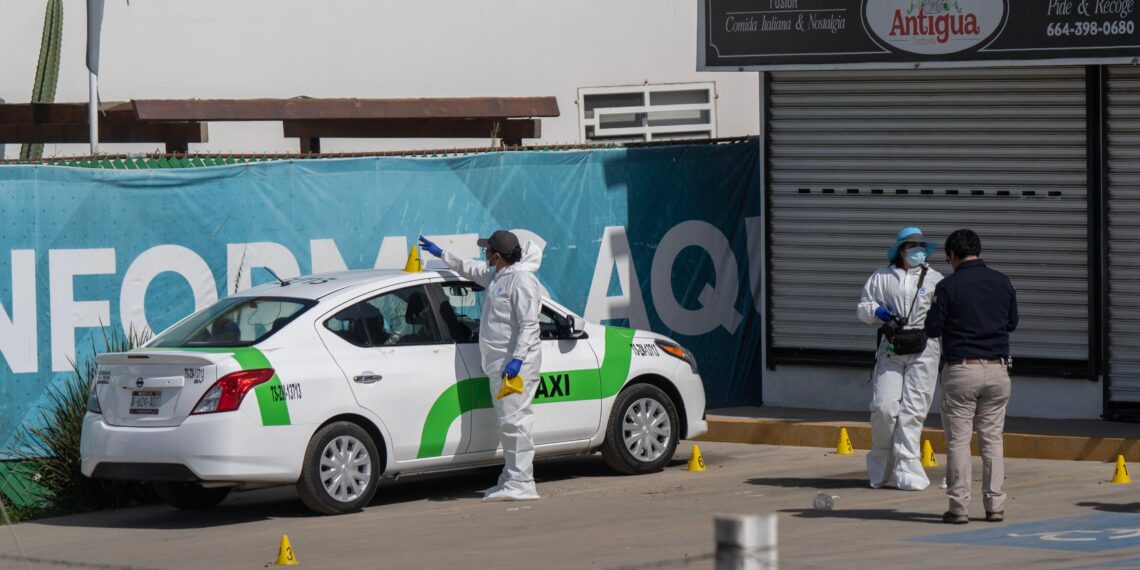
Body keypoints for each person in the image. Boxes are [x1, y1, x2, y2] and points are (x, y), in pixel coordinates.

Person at [418, 230, 543, 502]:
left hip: (515, 366)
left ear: (497, 256)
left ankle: (523, 483)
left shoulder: (521, 281)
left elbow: (530, 325)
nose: (483, 254)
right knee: (507, 423)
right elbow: (470, 268)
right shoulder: (498, 276)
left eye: (487, 250)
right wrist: (442, 254)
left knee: (517, 423)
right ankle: (511, 479)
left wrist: (518, 359)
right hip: (500, 364)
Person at [924, 229, 1018, 524]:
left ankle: (959, 508)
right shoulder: (1003, 282)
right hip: (998, 370)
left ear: (952, 255)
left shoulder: (948, 286)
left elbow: (933, 328)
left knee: (959, 442)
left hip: (961, 370)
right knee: (993, 440)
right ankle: (995, 506)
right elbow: (1012, 323)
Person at [857, 227, 944, 491]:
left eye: (920, 246)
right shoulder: (881, 276)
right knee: (883, 407)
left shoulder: (935, 279)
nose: (917, 250)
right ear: (901, 250)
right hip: (892, 346)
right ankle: (881, 464)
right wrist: (877, 311)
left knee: (913, 411)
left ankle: (909, 470)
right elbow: (863, 308)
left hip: (924, 347)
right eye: (911, 246)